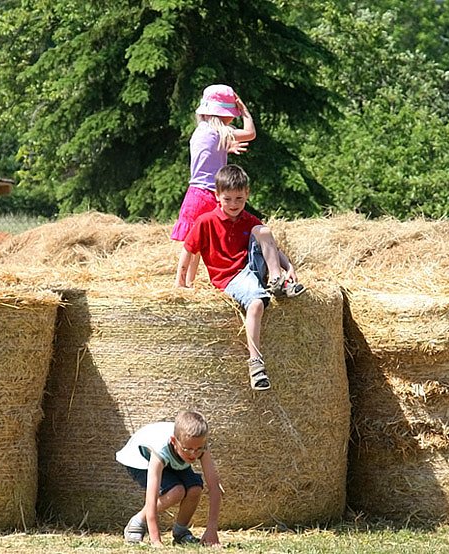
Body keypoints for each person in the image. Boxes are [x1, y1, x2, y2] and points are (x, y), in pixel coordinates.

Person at [176, 164, 305, 391]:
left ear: (247, 194)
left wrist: (288, 266)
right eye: (228, 199)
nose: (234, 205)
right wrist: (180, 284)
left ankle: (277, 281)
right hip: (231, 277)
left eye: (239, 199)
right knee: (255, 304)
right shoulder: (205, 221)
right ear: (217, 196)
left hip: (252, 269)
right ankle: (255, 363)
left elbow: (270, 245)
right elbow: (188, 251)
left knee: (263, 231)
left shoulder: (247, 218)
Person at [172, 84, 256, 287]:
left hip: (196, 193)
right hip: (211, 194)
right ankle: (183, 282)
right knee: (197, 243)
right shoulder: (221, 133)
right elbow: (251, 133)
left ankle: (186, 282)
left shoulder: (203, 131)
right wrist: (244, 109)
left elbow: (208, 152)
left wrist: (227, 146)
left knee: (194, 243)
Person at [115, 410, 222, 547]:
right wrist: (155, 540)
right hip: (140, 460)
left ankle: (181, 532)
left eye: (198, 449)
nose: (194, 454)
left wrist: (212, 529)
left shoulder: (197, 447)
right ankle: (137, 521)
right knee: (176, 491)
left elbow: (214, 487)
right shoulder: (160, 449)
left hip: (174, 459)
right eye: (188, 448)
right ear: (173, 441)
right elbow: (151, 497)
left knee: (195, 488)